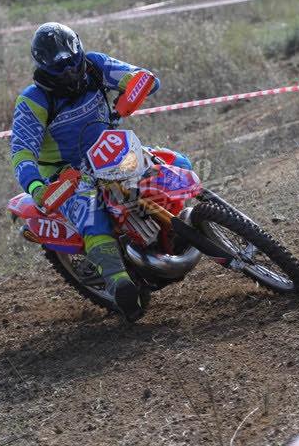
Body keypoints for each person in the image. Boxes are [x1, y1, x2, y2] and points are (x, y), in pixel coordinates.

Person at [10, 22, 191, 322]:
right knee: (90, 213)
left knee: (177, 163)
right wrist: (36, 187)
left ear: (79, 51)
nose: (69, 70)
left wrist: (138, 85)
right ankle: (119, 282)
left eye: (72, 61)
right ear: (44, 67)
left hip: (112, 150)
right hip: (68, 174)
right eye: (60, 67)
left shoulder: (94, 65)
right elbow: (22, 152)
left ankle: (178, 229)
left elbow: (140, 78)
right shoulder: (33, 100)